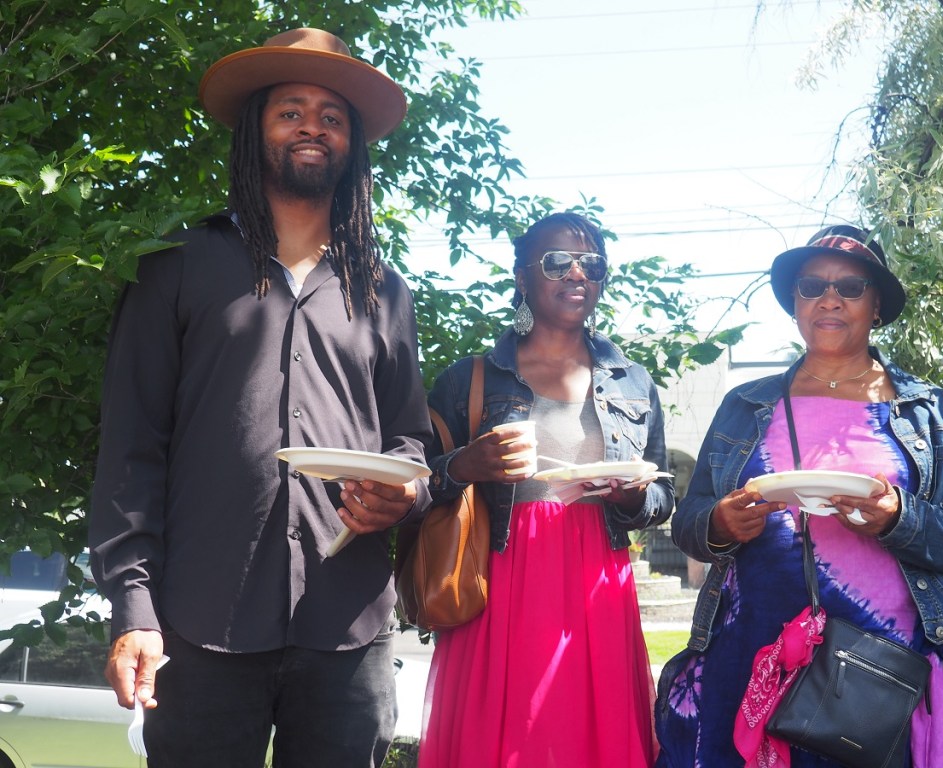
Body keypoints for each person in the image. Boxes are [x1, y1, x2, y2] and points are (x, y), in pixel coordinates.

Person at [88, 28, 432, 767]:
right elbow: (130, 452)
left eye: (331, 116)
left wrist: (402, 494)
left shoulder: (386, 291)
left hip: (348, 624)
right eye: (290, 111)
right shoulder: (175, 267)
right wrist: (134, 610)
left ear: (351, 146)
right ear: (256, 132)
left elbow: (410, 444)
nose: (312, 125)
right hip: (198, 623)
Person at [654, 225, 943, 768]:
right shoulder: (745, 405)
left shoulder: (934, 413)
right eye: (812, 285)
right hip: (752, 654)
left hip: (887, 666)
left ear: (878, 304)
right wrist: (720, 525)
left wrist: (898, 519)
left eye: (851, 286)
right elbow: (689, 522)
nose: (830, 299)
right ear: (795, 303)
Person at [417, 211, 675, 768]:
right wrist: (465, 464)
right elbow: (419, 482)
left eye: (593, 265)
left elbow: (661, 496)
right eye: (558, 261)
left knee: (591, 735)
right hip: (503, 575)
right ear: (523, 276)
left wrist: (631, 496)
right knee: (505, 738)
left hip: (597, 580)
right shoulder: (470, 379)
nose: (577, 273)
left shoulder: (632, 381)